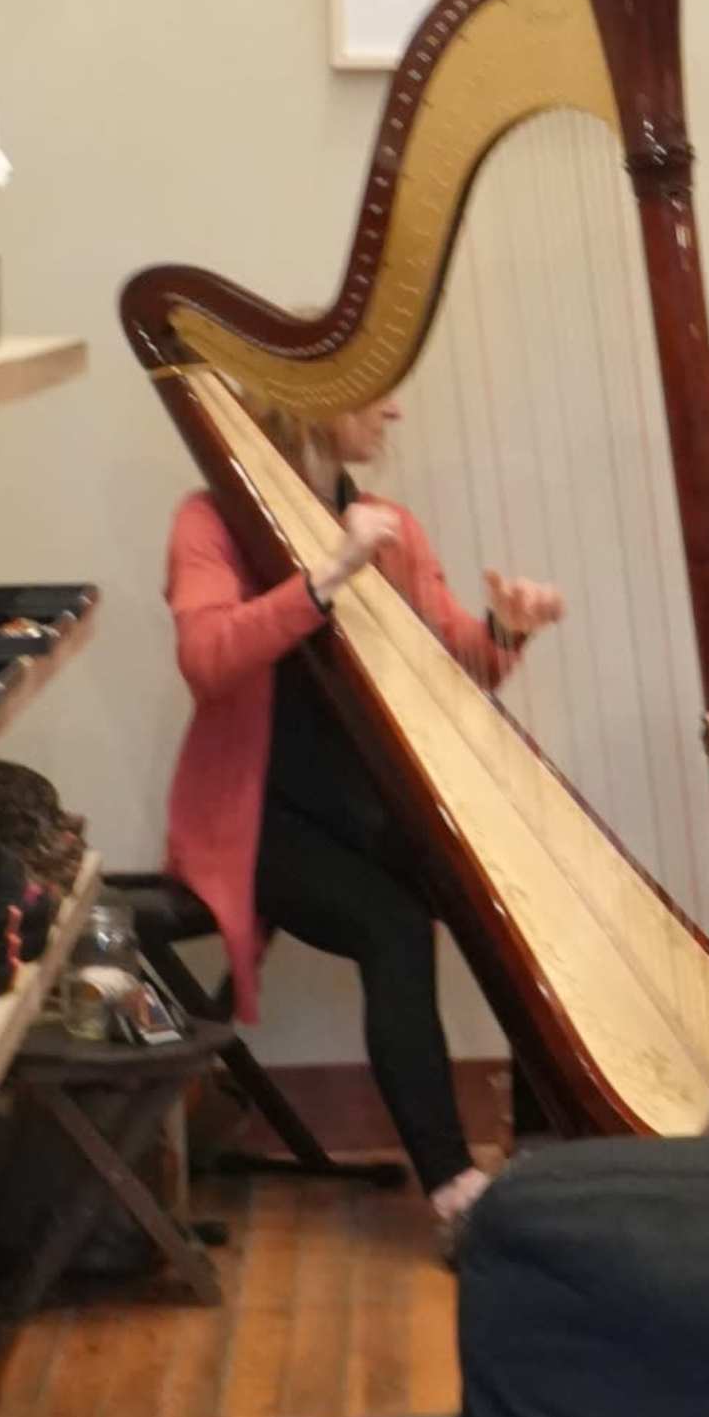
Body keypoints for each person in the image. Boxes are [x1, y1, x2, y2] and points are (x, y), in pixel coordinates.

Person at [164, 400, 563, 1247]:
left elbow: (459, 655)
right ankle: (455, 1191)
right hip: (262, 816)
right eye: (372, 387)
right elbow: (206, 660)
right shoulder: (212, 523)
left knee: (512, 893)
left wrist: (507, 631)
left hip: (372, 805)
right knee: (395, 926)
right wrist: (324, 577)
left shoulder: (389, 524)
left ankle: (549, 1143)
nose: (395, 408)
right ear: (308, 403)